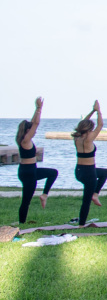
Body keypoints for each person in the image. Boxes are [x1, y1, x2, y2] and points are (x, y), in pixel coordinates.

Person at [16, 96, 57, 225]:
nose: (34, 131)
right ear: (27, 130)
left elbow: (34, 123)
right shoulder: (26, 140)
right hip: (28, 173)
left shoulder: (23, 138)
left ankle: (44, 195)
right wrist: (39, 108)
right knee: (26, 200)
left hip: (28, 171)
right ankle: (21, 223)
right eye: (31, 129)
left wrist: (36, 109)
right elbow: (36, 124)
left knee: (53, 173)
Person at [72, 102, 107, 226]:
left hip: (79, 171)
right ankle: (81, 224)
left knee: (104, 172)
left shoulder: (77, 137)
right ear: (89, 129)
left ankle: (95, 194)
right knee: (86, 201)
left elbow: (81, 124)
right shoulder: (89, 139)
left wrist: (92, 111)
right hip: (89, 173)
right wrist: (98, 111)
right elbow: (100, 124)